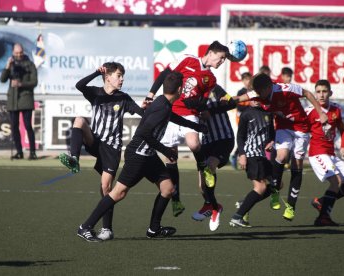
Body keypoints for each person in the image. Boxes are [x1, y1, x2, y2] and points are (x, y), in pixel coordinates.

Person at [76, 72, 207, 242]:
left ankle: (153, 229)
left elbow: (171, 117)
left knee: (168, 189)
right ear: (180, 89)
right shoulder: (162, 106)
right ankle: (85, 227)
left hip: (149, 155)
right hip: (138, 155)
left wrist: (195, 126)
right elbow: (145, 132)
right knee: (118, 193)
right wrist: (166, 151)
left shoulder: (163, 102)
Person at [59, 62, 147, 241]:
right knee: (79, 120)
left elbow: (140, 113)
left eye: (123, 76)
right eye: (119, 76)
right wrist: (94, 72)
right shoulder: (95, 93)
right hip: (96, 141)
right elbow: (79, 85)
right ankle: (74, 158)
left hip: (112, 150)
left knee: (106, 187)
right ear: (108, 77)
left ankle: (107, 228)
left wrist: (146, 108)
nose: (122, 79)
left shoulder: (123, 98)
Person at [145, 41, 229, 217]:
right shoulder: (187, 60)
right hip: (171, 112)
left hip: (189, 114)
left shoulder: (211, 78)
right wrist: (150, 95)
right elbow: (164, 75)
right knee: (171, 158)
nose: (222, 62)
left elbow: (203, 102)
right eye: (221, 58)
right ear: (211, 53)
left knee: (194, 144)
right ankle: (176, 200)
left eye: (224, 59)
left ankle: (203, 167)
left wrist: (198, 105)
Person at [232, 73, 328, 221]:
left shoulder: (285, 89)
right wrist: (224, 100)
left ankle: (291, 206)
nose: (257, 95)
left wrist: (320, 113)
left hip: (301, 128)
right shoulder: (258, 92)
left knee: (297, 164)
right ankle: (275, 190)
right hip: (283, 126)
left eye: (259, 92)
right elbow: (239, 98)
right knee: (282, 156)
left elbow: (307, 93)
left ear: (268, 87)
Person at [306, 79, 344, 226]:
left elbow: (342, 129)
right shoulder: (310, 112)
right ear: (315, 94)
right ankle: (322, 218)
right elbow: (299, 129)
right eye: (318, 92)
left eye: (324, 91)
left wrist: (343, 146)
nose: (321, 95)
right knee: (336, 181)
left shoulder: (336, 110)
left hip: (331, 154)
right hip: (317, 153)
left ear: (330, 93)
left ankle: (322, 202)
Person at [191, 84, 236, 231]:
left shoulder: (214, 88)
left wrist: (210, 111)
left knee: (210, 165)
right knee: (201, 186)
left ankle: (215, 208)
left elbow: (232, 103)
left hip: (224, 138)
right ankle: (209, 205)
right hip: (206, 141)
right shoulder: (189, 94)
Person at [229, 98, 275, 228]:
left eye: (258, 97)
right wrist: (242, 154)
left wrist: (271, 141)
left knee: (277, 184)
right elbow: (240, 136)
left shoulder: (268, 113)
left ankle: (244, 203)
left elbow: (272, 133)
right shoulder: (246, 114)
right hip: (250, 154)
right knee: (260, 187)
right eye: (252, 97)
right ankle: (237, 217)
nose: (255, 100)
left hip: (262, 155)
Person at [0, 43, 38, 160]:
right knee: (14, 127)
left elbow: (34, 82)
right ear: (13, 52)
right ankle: (19, 152)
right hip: (13, 100)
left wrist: (21, 84)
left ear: (23, 52)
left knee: (27, 126)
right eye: (16, 53)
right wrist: (7, 67)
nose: (19, 55)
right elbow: (2, 79)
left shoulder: (30, 65)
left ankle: (32, 152)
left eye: (20, 52)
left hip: (26, 99)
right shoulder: (11, 64)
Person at [230, 72, 252, 169]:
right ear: (243, 81)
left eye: (249, 79)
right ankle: (235, 155)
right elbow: (239, 107)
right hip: (242, 119)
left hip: (251, 119)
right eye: (245, 79)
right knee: (243, 138)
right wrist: (249, 106)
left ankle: (240, 156)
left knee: (249, 139)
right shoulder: (241, 92)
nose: (247, 82)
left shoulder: (253, 91)